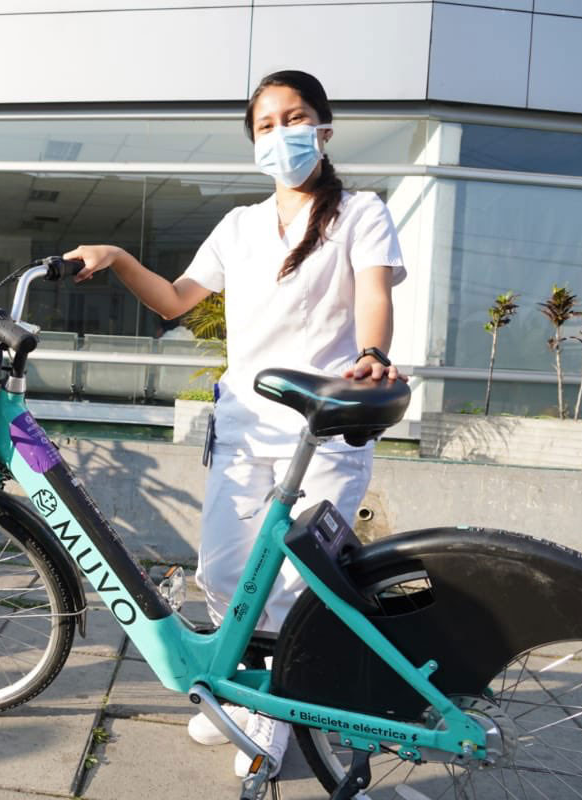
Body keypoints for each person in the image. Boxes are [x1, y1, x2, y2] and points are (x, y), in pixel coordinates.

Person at [63, 70, 406, 777]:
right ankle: (243, 690)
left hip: (321, 432)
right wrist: (121, 257)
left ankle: (270, 719)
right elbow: (174, 301)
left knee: (288, 587)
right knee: (222, 572)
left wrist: (372, 354)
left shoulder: (360, 212)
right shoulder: (240, 226)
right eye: (268, 125)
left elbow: (373, 293)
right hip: (245, 424)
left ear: (325, 129)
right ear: (254, 142)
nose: (283, 134)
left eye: (297, 117)